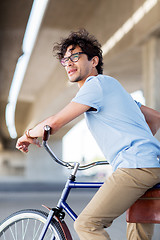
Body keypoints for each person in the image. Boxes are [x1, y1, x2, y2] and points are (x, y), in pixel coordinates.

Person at [16, 29, 160, 240]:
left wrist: (28, 134)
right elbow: (156, 118)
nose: (69, 63)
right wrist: (141, 145)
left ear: (94, 61)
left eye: (75, 57)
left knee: (86, 225)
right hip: (150, 165)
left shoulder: (95, 85)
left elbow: (55, 123)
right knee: (137, 235)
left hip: (135, 167)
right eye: (65, 60)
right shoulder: (112, 86)